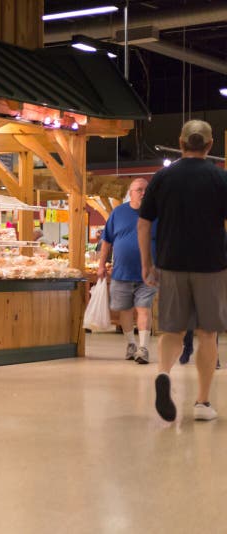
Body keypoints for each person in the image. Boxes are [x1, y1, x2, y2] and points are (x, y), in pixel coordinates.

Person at [138, 119, 227, 422]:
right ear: (210, 145)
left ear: (180, 142)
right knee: (207, 334)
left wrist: (146, 263)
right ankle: (202, 403)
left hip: (171, 264)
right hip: (211, 266)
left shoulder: (163, 177)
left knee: (172, 330)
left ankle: (164, 373)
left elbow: (143, 222)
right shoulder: (220, 179)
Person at [97, 179, 156, 365]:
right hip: (121, 273)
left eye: (147, 190)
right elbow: (106, 241)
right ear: (131, 193)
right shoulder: (118, 213)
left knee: (144, 309)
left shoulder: (157, 214)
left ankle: (143, 348)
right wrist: (101, 265)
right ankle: (131, 344)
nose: (144, 193)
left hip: (148, 275)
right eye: (139, 190)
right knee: (125, 311)